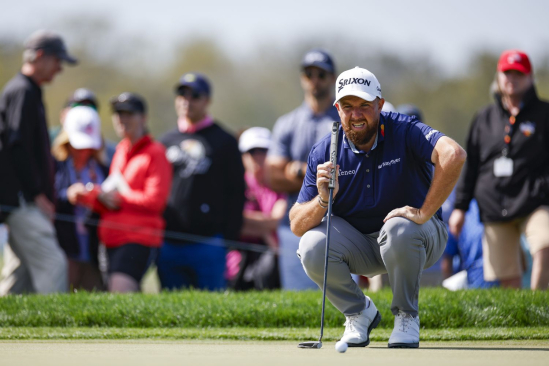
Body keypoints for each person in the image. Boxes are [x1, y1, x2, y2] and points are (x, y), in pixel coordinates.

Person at [290, 67, 466, 348]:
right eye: (347, 106)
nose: (356, 114)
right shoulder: (325, 151)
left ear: (380, 105)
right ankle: (359, 313)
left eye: (364, 106)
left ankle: (407, 316)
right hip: (361, 246)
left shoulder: (404, 130)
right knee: (310, 244)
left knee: (398, 228)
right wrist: (322, 200)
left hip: (417, 238)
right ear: (337, 109)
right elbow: (297, 224)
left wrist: (423, 212)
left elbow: (454, 154)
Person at [449, 50, 549, 290]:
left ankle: (539, 306)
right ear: (499, 77)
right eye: (507, 73)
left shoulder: (544, 113)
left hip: (534, 200)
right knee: (507, 274)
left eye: (518, 74)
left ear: (529, 77)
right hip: (494, 205)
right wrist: (460, 208)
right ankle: (522, 316)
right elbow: (471, 164)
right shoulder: (484, 118)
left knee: (545, 244)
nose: (511, 79)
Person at [0, 30, 78, 295]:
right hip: (23, 200)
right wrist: (36, 194)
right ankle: (55, 331)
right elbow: (16, 145)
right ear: (41, 57)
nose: (59, 69)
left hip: (22, 198)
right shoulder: (22, 91)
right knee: (53, 263)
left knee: (19, 274)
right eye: (58, 61)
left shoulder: (27, 90)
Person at [74, 93, 172, 292]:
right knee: (117, 296)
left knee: (120, 291)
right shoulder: (120, 150)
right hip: (111, 238)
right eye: (118, 114)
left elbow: (155, 201)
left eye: (128, 113)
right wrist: (92, 196)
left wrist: (116, 197)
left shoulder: (156, 152)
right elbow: (112, 194)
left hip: (138, 238)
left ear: (143, 118)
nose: (122, 119)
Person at [158, 73, 245, 291]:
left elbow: (237, 193)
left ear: (207, 101)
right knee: (172, 316)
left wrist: (229, 240)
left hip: (209, 244)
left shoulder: (224, 141)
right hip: (169, 243)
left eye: (194, 95)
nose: (187, 100)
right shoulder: (165, 142)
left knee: (211, 316)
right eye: (182, 94)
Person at [265, 49, 339, 290]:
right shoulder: (288, 123)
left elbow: (349, 174)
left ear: (332, 77)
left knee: (336, 296)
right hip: (294, 224)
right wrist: (315, 179)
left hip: (337, 222)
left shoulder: (342, 120)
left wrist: (297, 171)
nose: (315, 80)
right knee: (297, 295)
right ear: (302, 78)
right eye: (309, 74)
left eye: (321, 74)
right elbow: (272, 175)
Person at [51, 106, 109, 292]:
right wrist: (66, 196)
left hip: (94, 249)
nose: (84, 151)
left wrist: (101, 198)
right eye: (78, 145)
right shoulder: (54, 166)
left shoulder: (102, 168)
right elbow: (44, 199)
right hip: (63, 247)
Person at [226, 127, 287, 291]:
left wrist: (251, 223)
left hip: (274, 259)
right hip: (237, 258)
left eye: (264, 150)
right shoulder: (235, 184)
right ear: (243, 156)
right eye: (252, 151)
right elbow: (234, 222)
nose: (258, 157)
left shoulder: (279, 185)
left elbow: (276, 221)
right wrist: (266, 232)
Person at [441, 191, 499, 290]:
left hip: (485, 280)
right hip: (477, 281)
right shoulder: (460, 216)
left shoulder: (460, 215)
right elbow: (448, 257)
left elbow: (447, 259)